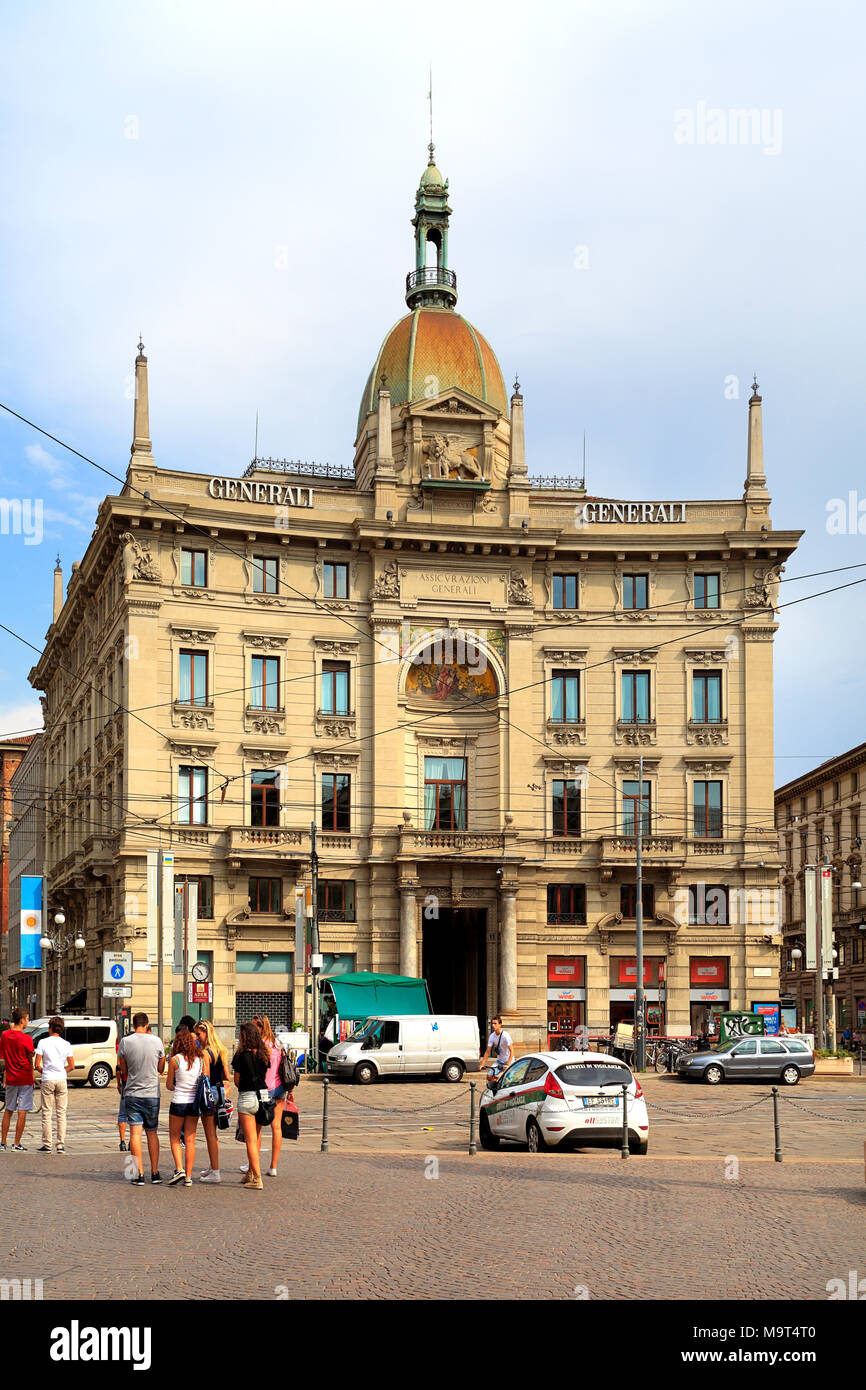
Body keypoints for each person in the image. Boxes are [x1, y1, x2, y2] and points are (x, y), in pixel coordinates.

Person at [116, 1011, 166, 1185]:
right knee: (152, 1133)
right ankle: (155, 1173)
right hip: (152, 1094)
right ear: (147, 1025)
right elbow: (161, 1067)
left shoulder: (125, 1041)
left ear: (133, 1025)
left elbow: (123, 1069)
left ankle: (138, 1174)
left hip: (132, 1093)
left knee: (135, 1134)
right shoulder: (157, 1041)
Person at [239, 1016, 285, 1179]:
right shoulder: (277, 1043)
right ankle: (273, 1166)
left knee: (255, 1132)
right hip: (280, 1087)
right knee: (276, 1127)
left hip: (264, 1090)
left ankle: (253, 1165)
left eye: (253, 1027)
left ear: (259, 1028)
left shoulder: (261, 1047)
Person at [231, 1022, 269, 1191]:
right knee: (257, 1137)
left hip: (247, 1097)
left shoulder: (240, 1056)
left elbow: (237, 1080)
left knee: (250, 1140)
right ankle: (251, 1173)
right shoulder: (263, 1054)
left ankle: (257, 1178)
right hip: (263, 1096)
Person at [166, 1026, 205, 1187]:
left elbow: (169, 1085)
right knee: (190, 1139)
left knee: (175, 1137)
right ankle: (188, 1177)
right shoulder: (200, 1060)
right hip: (194, 1104)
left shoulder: (175, 1060)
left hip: (178, 1102)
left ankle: (179, 1169)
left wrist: (178, 1085)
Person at [194, 1019, 231, 1183]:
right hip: (220, 1092)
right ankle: (213, 1166)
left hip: (209, 1095)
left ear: (206, 1033)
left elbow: (205, 1077)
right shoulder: (220, 1050)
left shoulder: (205, 1053)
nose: (197, 1037)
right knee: (213, 1134)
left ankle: (215, 1171)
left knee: (210, 1133)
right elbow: (227, 1077)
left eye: (198, 1034)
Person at [34, 1016, 75, 1153]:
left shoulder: (43, 1042)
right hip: (61, 1079)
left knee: (47, 1113)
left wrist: (44, 1071)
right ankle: (60, 1145)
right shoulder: (66, 1044)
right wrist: (62, 1071)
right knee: (61, 1113)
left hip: (48, 1079)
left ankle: (47, 1144)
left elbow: (37, 1064)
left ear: (50, 1028)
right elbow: (72, 1065)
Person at [0, 1007, 35, 1151]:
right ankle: (16, 1143)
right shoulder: (27, 1038)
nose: (27, 1021)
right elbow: (30, 1055)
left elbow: (2, 1056)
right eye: (27, 1018)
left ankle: (2, 1143)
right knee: (22, 1110)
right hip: (25, 1077)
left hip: (11, 1078)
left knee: (8, 1110)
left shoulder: (4, 1035)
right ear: (22, 1020)